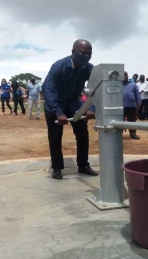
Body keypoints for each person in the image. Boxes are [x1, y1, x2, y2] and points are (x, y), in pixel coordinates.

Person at [42, 39, 97, 179]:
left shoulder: (89, 68)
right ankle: (57, 168)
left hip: (73, 103)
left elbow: (97, 88)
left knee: (83, 135)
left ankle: (83, 165)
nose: (86, 57)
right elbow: (48, 89)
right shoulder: (59, 66)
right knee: (55, 137)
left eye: (89, 54)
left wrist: (92, 108)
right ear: (73, 52)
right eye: (83, 53)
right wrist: (58, 113)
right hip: (54, 104)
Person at [123, 71, 142, 139]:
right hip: (120, 106)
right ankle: (118, 135)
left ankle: (133, 134)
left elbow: (137, 94)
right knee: (120, 121)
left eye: (125, 75)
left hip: (131, 106)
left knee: (132, 121)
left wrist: (139, 102)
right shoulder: (117, 84)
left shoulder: (133, 84)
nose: (124, 76)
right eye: (122, 75)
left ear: (127, 76)